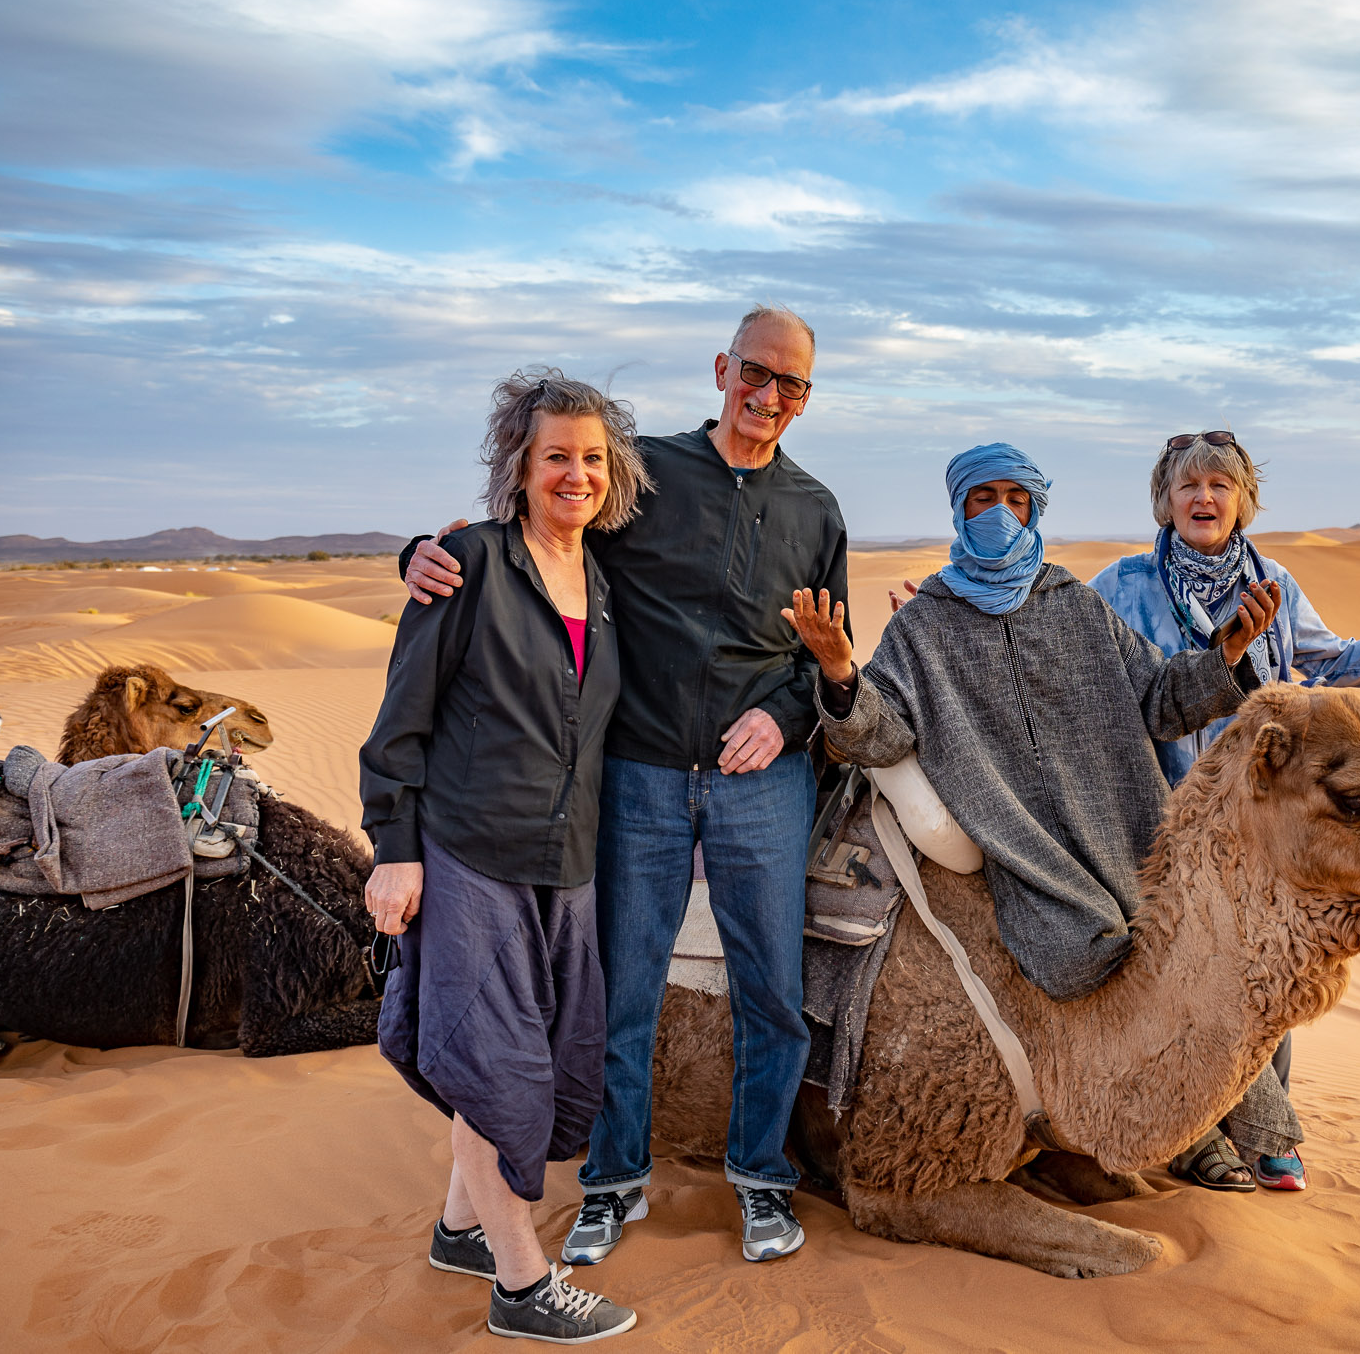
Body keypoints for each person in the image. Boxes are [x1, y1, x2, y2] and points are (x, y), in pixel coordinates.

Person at [401, 306, 848, 1267]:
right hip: (637, 773)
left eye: (792, 386)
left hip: (760, 784)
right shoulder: (641, 474)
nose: (769, 398)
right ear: (723, 368)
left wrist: (790, 713)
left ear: (807, 399)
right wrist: (425, 553)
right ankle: (613, 1181)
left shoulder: (818, 511)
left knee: (773, 990)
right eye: (756, 374)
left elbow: (828, 657)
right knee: (619, 993)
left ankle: (762, 1179)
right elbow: (542, 527)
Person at [1089, 429, 1360, 1193]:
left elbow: (1337, 663)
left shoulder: (1275, 583)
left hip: (1261, 830)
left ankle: (1269, 1129)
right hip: (1158, 819)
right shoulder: (1124, 586)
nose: (1204, 497)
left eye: (1220, 485)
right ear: (1164, 502)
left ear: (1242, 499)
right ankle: (1197, 1137)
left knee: (1264, 978)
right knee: (1178, 980)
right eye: (1188, 485)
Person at [359, 370, 649, 1343]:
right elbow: (398, 724)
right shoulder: (469, 565)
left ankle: (458, 1230)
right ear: (518, 467)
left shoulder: (600, 584)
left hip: (563, 864)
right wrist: (394, 850)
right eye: (555, 456)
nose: (576, 475)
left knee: (540, 1064)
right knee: (496, 1065)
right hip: (471, 852)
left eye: (591, 459)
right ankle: (523, 1286)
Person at [783, 442, 1278, 1004]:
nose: (999, 512)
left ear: (1033, 510)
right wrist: (841, 670)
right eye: (984, 498)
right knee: (1070, 960)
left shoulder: (1074, 603)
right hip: (1028, 854)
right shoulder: (923, 626)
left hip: (1127, 831)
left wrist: (1227, 656)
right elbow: (880, 734)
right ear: (960, 509)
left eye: (1015, 499)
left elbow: (1161, 697)